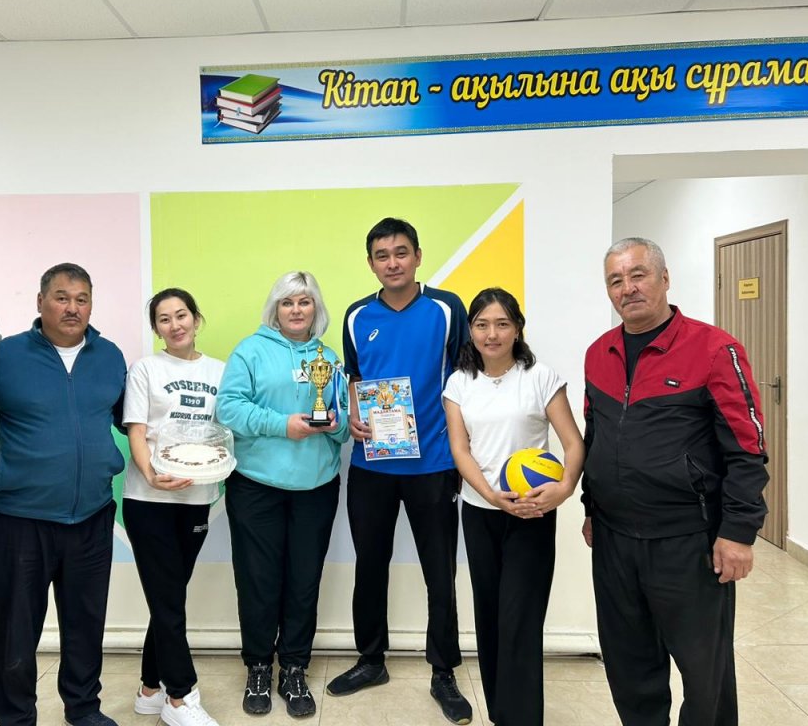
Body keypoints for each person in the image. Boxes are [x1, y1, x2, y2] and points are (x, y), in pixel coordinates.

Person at [582, 237, 768, 726]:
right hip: (614, 541)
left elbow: (747, 448)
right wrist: (591, 508)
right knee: (629, 666)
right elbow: (596, 436)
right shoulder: (598, 353)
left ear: (664, 278)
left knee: (704, 672)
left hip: (688, 542)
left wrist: (738, 532)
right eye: (616, 280)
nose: (627, 288)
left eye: (638, 274)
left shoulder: (714, 349)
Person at [327, 217, 473, 726]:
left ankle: (443, 671)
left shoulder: (447, 308)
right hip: (372, 464)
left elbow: (466, 378)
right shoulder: (355, 315)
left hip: (434, 462)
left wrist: (462, 448)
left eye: (401, 252)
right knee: (370, 564)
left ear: (417, 256)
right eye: (382, 255)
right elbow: (355, 379)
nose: (392, 263)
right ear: (371, 263)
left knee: (440, 570)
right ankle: (371, 660)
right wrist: (354, 417)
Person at [0, 263, 126, 726]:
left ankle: (83, 708)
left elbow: (133, 421)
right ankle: (15, 718)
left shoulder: (109, 356)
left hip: (93, 515)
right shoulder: (5, 355)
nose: (72, 308)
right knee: (16, 630)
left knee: (86, 623)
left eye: (82, 299)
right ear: (40, 302)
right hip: (22, 518)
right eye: (62, 297)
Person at [443, 287, 584, 726]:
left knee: (520, 620)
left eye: (502, 324)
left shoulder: (540, 376)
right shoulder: (459, 383)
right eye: (482, 324)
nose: (492, 334)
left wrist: (564, 489)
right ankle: (501, 714)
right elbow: (460, 449)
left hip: (531, 516)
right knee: (489, 617)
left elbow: (573, 443)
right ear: (470, 330)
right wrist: (489, 495)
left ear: (518, 328)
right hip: (480, 512)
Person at [216, 271, 348, 719]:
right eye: (288, 302)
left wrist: (338, 424)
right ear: (275, 308)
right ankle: (257, 666)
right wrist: (282, 425)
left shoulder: (329, 358)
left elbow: (342, 423)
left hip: (316, 488)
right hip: (256, 487)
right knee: (258, 581)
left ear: (316, 308)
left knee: (304, 582)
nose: (296, 310)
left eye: (304, 302)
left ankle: (293, 668)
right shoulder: (250, 351)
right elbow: (228, 408)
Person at [122, 288, 224, 726]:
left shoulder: (221, 370)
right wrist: (150, 474)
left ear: (196, 319)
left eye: (181, 315)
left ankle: (149, 688)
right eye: (164, 319)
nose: (175, 324)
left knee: (169, 595)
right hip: (148, 499)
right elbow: (136, 430)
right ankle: (180, 696)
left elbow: (223, 431)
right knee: (167, 599)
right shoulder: (145, 369)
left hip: (197, 497)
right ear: (156, 329)